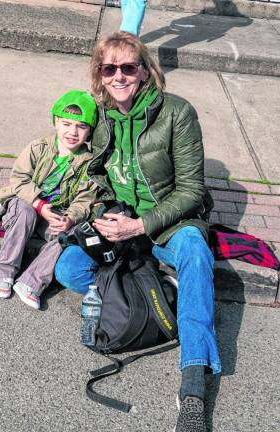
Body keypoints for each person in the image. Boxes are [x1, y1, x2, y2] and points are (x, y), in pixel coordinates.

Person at [55, 32, 221, 431]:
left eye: (128, 67)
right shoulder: (100, 117)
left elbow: (192, 190)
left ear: (145, 71)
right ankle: (163, 289)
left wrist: (142, 224)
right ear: (100, 74)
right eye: (109, 68)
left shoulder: (177, 113)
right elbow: (91, 172)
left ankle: (194, 384)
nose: (119, 76)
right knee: (68, 271)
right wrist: (100, 215)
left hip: (170, 221)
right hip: (123, 221)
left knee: (196, 255)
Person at [0, 90, 98, 310]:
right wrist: (39, 204)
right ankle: (5, 272)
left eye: (81, 127)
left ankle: (31, 282)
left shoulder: (89, 163)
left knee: (69, 234)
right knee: (24, 209)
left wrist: (70, 217)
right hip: (29, 205)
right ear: (56, 122)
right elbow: (19, 179)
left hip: (55, 214)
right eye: (66, 124)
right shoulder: (38, 148)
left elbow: (85, 199)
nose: (72, 132)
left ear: (90, 131)